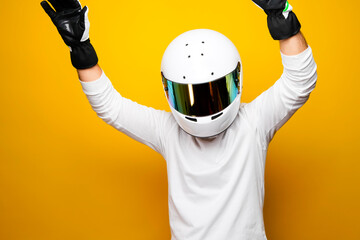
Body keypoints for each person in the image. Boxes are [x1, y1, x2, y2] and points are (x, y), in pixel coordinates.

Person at [41, 0, 317, 239]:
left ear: (237, 79)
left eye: (214, 93)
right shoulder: (172, 130)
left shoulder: (252, 122)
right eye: (190, 97)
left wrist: (282, 14)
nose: (204, 106)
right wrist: (80, 47)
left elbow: (300, 82)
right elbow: (111, 107)